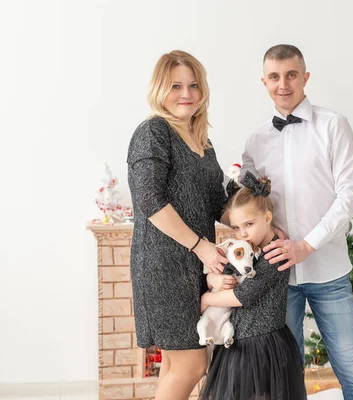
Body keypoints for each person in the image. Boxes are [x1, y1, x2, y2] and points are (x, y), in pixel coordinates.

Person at [240, 44, 353, 399]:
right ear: (264, 82)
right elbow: (248, 202)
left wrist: (306, 244)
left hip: (328, 269)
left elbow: (350, 193)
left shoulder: (334, 126)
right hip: (276, 274)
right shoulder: (256, 140)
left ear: (305, 78)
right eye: (274, 76)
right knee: (285, 374)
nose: (283, 84)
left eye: (291, 75)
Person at [126, 50, 230, 400]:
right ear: (159, 88)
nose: (186, 93)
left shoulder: (204, 142)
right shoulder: (153, 131)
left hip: (194, 266)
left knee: (174, 365)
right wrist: (201, 246)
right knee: (192, 366)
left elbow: (218, 203)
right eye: (175, 85)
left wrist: (257, 214)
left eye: (193, 85)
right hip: (164, 267)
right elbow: (150, 200)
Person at [199, 173, 307, 400]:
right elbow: (220, 274)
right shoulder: (243, 249)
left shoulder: (275, 254)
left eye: (249, 224)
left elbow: (243, 296)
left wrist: (206, 299)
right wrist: (212, 281)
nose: (243, 233)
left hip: (265, 345)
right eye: (237, 228)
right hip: (237, 344)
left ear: (268, 218)